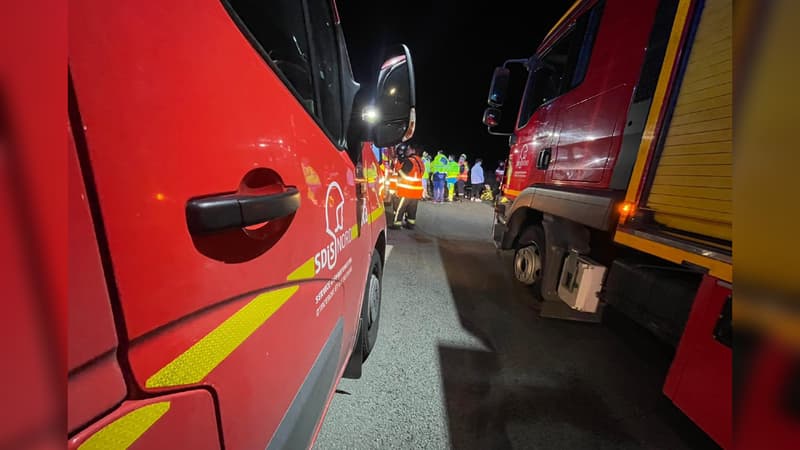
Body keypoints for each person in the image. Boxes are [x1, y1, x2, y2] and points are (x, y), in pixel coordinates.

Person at [391, 145, 425, 229]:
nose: (407, 150)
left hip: (407, 190)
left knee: (400, 208)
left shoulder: (409, 161)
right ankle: (410, 224)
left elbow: (402, 174)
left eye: (409, 149)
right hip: (417, 191)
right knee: (412, 209)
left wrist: (398, 170)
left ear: (413, 150)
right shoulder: (420, 161)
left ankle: (397, 224)